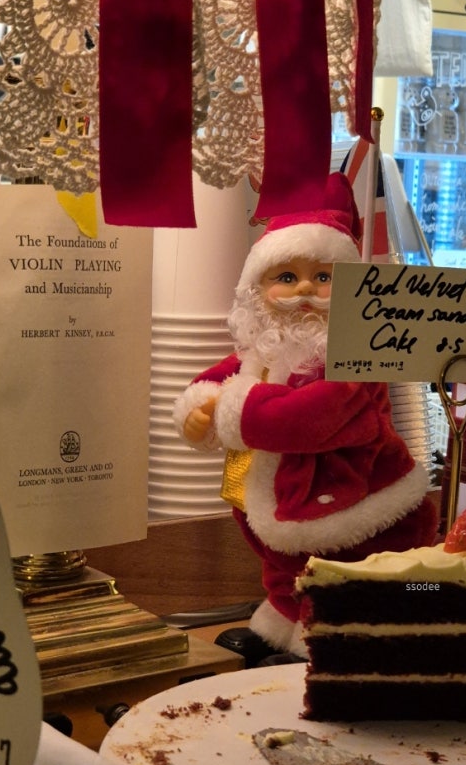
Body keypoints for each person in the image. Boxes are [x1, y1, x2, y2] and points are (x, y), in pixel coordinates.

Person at [174, 173, 437, 656]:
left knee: (338, 569)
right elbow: (218, 377)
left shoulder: (359, 356)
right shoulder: (264, 349)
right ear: (258, 287)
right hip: (278, 490)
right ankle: (282, 617)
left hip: (351, 490)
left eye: (324, 277)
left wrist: (234, 408)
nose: (305, 291)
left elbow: (312, 418)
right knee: (280, 562)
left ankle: (324, 639)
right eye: (286, 278)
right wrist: (200, 406)